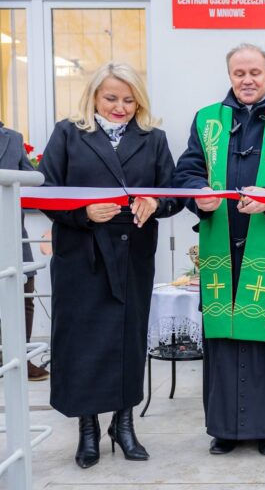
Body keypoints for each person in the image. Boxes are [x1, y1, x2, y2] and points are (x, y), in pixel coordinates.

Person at [173, 43, 265, 457]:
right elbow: (187, 171)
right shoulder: (207, 121)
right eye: (239, 73)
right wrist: (197, 195)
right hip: (221, 247)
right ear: (230, 76)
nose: (247, 80)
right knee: (223, 338)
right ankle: (225, 428)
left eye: (255, 72)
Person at [38, 62, 180, 469]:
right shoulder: (68, 132)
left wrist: (155, 203)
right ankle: (87, 430)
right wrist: (83, 213)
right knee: (82, 344)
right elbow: (47, 192)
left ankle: (123, 423)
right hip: (81, 256)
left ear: (139, 100)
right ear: (94, 97)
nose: (120, 106)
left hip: (131, 254)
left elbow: (173, 193)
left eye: (128, 99)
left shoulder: (153, 139)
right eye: (111, 98)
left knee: (127, 341)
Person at [0, 122, 48, 381]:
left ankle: (22, 360)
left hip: (12, 233)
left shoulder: (14, 139)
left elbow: (33, 184)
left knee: (24, 295)